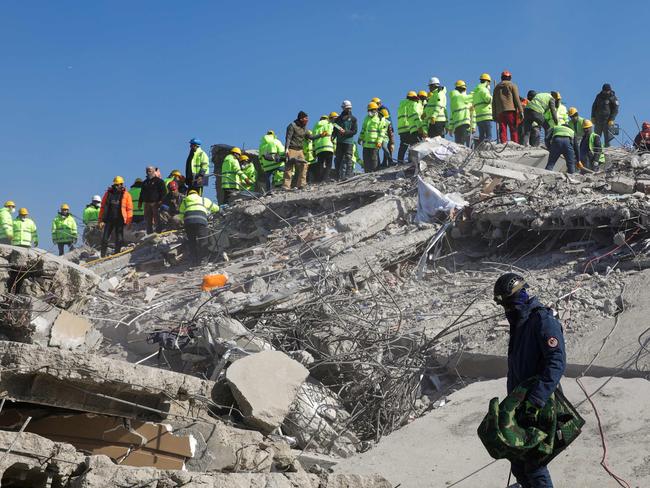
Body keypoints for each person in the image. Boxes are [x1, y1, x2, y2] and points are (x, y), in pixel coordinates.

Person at [493, 273, 566, 488]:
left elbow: (556, 363)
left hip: (540, 404)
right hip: (519, 403)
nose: (507, 310)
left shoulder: (542, 321)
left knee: (534, 462)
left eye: (509, 304)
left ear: (521, 295)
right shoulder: (519, 324)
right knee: (517, 459)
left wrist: (535, 399)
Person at [178, 189, 219, 267]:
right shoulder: (203, 199)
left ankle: (194, 261)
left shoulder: (185, 201)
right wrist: (221, 210)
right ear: (197, 194)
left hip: (188, 221)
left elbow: (181, 215)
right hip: (201, 220)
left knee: (192, 242)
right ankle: (203, 260)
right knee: (203, 240)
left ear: (188, 195)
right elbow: (216, 208)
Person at [98, 176, 133, 257]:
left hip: (120, 219)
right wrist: (100, 220)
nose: (117, 186)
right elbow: (103, 207)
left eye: (119, 184)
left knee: (119, 239)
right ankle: (102, 255)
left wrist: (128, 222)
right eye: (116, 185)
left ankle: (116, 254)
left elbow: (129, 209)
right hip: (109, 219)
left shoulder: (126, 195)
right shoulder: (108, 193)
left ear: (122, 184)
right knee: (105, 239)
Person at [492, 70, 523, 144]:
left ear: (502, 78)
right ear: (509, 77)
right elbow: (517, 99)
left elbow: (493, 102)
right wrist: (521, 111)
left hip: (500, 112)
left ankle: (503, 144)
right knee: (513, 129)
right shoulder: (512, 85)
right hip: (511, 110)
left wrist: (494, 114)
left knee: (502, 129)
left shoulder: (496, 87)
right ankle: (515, 144)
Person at [333, 101, 358, 179]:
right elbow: (335, 129)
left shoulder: (353, 119)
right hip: (339, 141)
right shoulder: (338, 119)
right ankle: (338, 176)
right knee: (338, 159)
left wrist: (346, 132)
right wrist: (333, 136)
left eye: (350, 108)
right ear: (343, 108)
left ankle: (348, 175)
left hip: (348, 141)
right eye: (347, 108)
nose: (349, 110)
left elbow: (355, 131)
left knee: (348, 157)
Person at [138, 166, 166, 234]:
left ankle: (158, 232)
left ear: (153, 171)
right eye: (147, 171)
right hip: (147, 203)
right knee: (148, 219)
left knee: (157, 218)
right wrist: (140, 202)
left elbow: (163, 192)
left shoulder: (159, 181)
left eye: (150, 171)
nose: (148, 172)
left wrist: (161, 200)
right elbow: (142, 193)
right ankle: (149, 233)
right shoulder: (145, 182)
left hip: (155, 203)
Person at [591, 84, 619, 148]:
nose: (606, 92)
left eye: (607, 91)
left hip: (607, 121)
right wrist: (592, 116)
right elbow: (594, 106)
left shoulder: (613, 97)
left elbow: (615, 110)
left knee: (608, 138)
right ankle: (596, 149)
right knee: (596, 137)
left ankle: (607, 149)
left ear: (610, 90)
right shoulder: (599, 96)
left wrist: (612, 119)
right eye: (605, 91)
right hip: (598, 120)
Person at [359, 102, 383, 172]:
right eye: (368, 110)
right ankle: (367, 173)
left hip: (374, 144)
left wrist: (379, 141)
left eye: (371, 110)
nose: (369, 112)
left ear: (375, 110)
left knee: (374, 159)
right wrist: (360, 137)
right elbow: (363, 129)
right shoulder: (366, 118)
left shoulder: (380, 118)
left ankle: (374, 173)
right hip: (366, 144)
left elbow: (382, 132)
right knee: (366, 159)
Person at [448, 80, 474, 147]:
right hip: (464, 123)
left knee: (458, 144)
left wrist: (450, 128)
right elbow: (473, 114)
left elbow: (451, 116)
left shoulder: (453, 99)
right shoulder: (461, 98)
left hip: (457, 125)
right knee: (464, 144)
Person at [397, 91, 420, 163]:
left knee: (403, 146)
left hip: (401, 129)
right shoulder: (411, 104)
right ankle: (411, 160)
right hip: (408, 127)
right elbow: (413, 114)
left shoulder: (401, 104)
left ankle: (399, 161)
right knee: (413, 144)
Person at [312, 115, 335, 182]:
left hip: (318, 148)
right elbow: (333, 136)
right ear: (327, 119)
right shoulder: (329, 124)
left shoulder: (315, 127)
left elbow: (313, 139)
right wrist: (335, 147)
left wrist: (314, 150)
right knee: (328, 164)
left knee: (320, 164)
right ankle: (325, 179)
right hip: (328, 146)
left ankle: (319, 179)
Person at [472, 73, 493, 144]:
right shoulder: (484, 89)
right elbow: (488, 100)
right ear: (487, 82)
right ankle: (487, 150)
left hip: (479, 117)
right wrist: (490, 95)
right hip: (486, 116)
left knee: (481, 136)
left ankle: (480, 148)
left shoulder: (476, 91)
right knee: (488, 136)